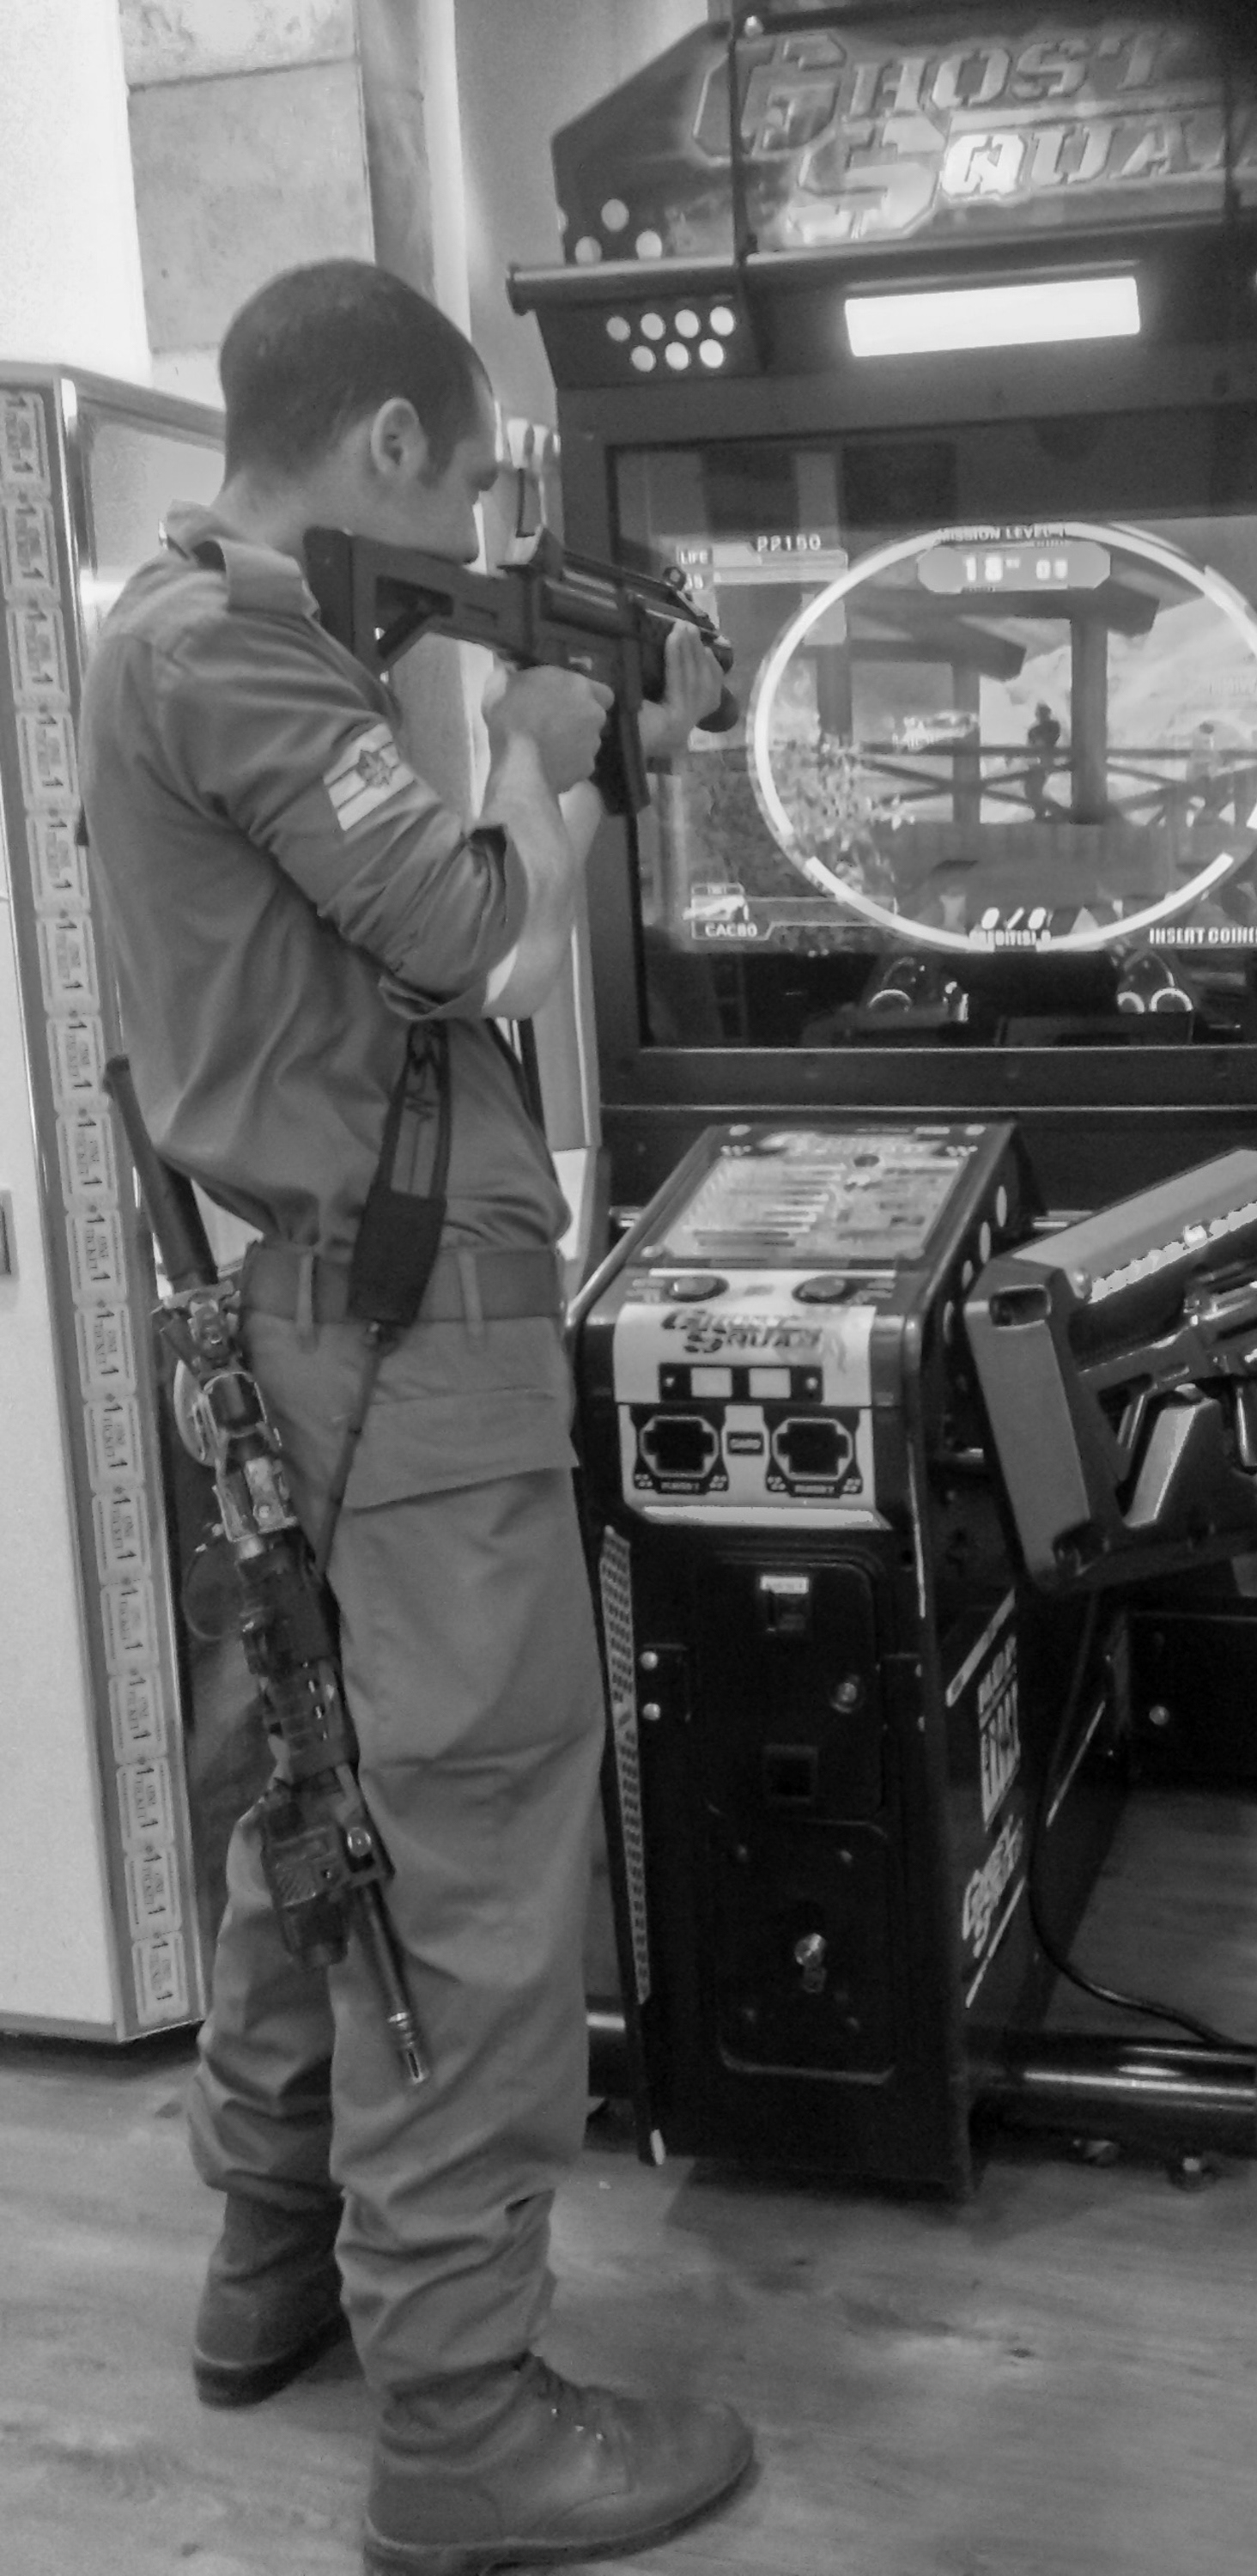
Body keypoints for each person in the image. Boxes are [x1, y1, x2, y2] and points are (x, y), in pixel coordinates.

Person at [78, 260, 752, 2576]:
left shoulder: (193, 638)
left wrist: (561, 734)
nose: (467, 529)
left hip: (311, 1322)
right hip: (401, 1342)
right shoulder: (230, 646)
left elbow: (385, 951)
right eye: (461, 484)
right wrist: (543, 744)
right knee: (462, 1850)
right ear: (384, 447)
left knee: (314, 1810)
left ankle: (277, 2266)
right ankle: (464, 2416)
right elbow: (467, 931)